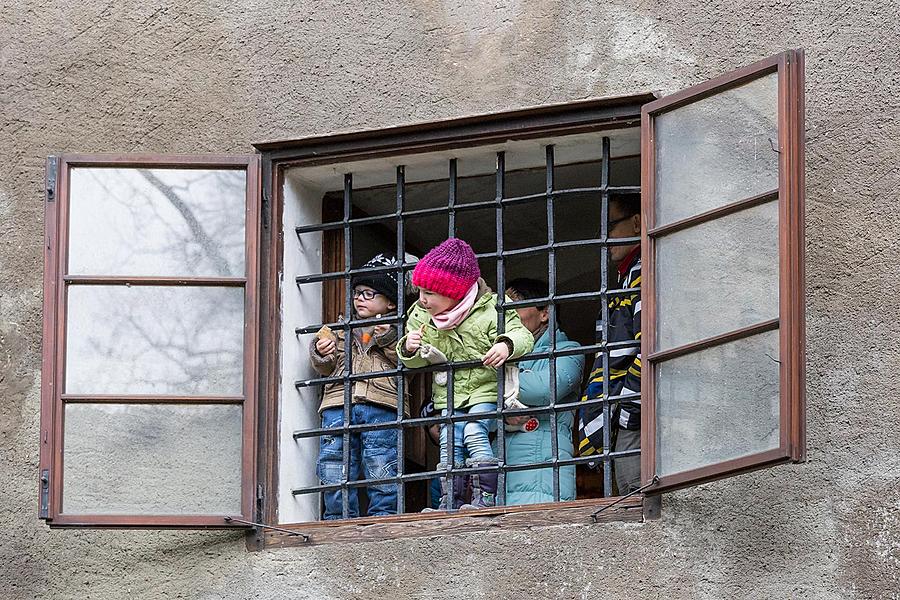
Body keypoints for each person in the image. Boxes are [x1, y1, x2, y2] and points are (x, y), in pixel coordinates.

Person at [398, 238, 533, 510]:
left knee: (473, 430)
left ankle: (485, 498)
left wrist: (505, 345)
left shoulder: (491, 309)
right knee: (449, 439)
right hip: (448, 393)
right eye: (420, 291)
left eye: (430, 293)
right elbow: (412, 364)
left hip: (483, 388)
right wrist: (409, 349)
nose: (422, 299)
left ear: (454, 291)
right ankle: (451, 501)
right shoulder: (421, 316)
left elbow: (523, 336)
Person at [309, 253, 408, 519]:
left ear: (389, 303)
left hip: (381, 404)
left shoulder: (403, 330)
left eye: (369, 293)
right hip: (338, 404)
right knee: (334, 464)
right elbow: (325, 366)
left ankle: (384, 517)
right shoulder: (340, 329)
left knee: (382, 464)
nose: (360, 298)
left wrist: (387, 337)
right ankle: (337, 518)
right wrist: (322, 351)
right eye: (357, 293)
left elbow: (408, 361)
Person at [578, 196, 642, 495]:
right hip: (628, 414)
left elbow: (651, 348)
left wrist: (626, 411)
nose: (604, 237)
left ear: (638, 222)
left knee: (636, 495)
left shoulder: (645, 272)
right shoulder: (627, 277)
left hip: (636, 417)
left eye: (611, 226)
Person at [502, 278, 584, 505]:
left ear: (545, 313)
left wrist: (490, 378)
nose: (505, 316)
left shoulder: (569, 351)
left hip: (543, 479)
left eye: (513, 306)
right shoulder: (503, 357)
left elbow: (542, 389)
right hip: (500, 477)